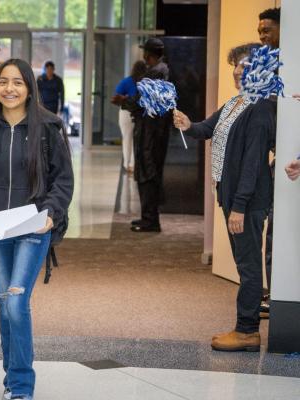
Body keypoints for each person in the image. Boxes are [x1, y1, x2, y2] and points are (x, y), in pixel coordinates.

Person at [0, 59, 74, 400]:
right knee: (4, 302)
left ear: (29, 88)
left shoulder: (49, 127)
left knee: (16, 303)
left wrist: (52, 211)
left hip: (34, 224)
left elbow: (63, 179)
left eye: (18, 82)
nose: (10, 88)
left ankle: (22, 386)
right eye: (3, 82)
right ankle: (12, 379)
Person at [173, 43, 276, 352]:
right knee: (244, 262)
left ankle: (247, 331)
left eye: (244, 66)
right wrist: (188, 124)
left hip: (247, 201)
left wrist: (240, 207)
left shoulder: (260, 106)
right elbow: (207, 128)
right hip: (231, 196)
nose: (237, 70)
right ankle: (245, 328)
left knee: (248, 267)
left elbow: (253, 162)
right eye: (235, 65)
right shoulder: (236, 102)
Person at [115, 37, 171, 232]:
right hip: (154, 131)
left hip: (150, 132)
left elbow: (140, 102)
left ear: (148, 54)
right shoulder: (162, 71)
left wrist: (123, 100)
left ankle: (150, 219)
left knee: (148, 173)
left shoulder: (155, 73)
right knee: (149, 172)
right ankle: (148, 216)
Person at [257, 6, 280, 319]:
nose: (262, 35)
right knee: (270, 227)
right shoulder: (264, 61)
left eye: (267, 30)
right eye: (260, 30)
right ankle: (272, 291)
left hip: (288, 153)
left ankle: (278, 294)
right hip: (273, 152)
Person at [111, 60, 147, 173]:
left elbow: (115, 97)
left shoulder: (126, 81)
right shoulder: (145, 82)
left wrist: (125, 99)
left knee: (127, 138)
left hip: (126, 113)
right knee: (137, 139)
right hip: (139, 113)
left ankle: (127, 164)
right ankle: (133, 164)